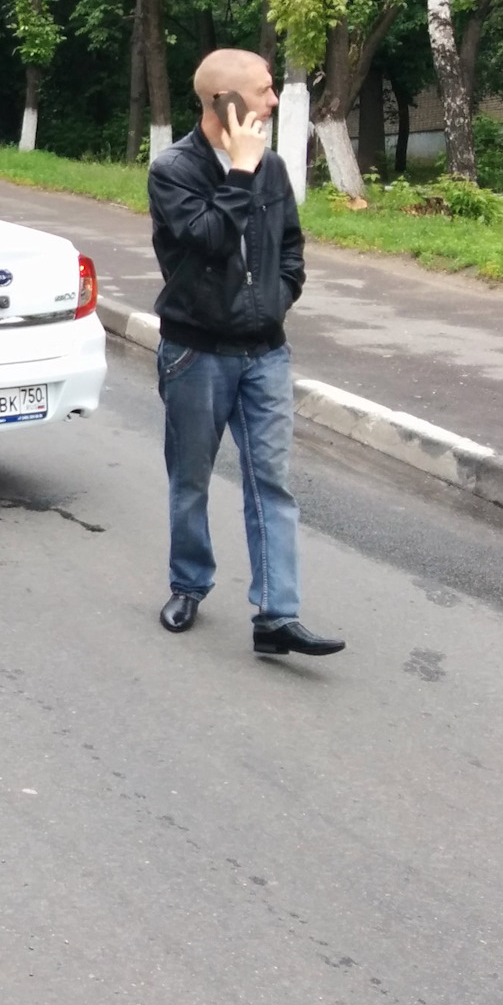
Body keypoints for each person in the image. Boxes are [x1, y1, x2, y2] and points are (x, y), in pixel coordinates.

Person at [148, 48, 344, 657]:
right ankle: (189, 584)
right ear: (225, 103)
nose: (275, 100)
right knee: (191, 481)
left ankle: (276, 616)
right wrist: (237, 170)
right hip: (195, 353)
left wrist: (279, 299)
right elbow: (207, 239)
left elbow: (291, 248)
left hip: (265, 353)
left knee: (272, 483)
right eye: (263, 90)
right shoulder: (173, 169)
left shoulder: (274, 168)